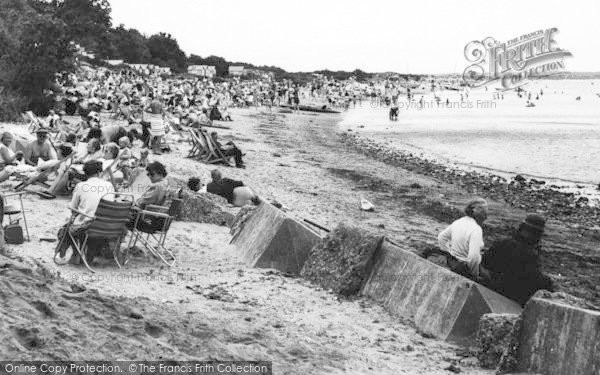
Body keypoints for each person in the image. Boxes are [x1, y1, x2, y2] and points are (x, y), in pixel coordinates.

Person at [481, 214, 555, 305]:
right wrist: (549, 283)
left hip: (489, 288)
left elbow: (484, 263)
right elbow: (536, 281)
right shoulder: (531, 256)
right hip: (511, 298)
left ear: (520, 228)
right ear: (538, 235)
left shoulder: (501, 243)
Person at [56, 160, 114, 264]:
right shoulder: (109, 185)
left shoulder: (81, 186)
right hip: (108, 226)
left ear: (86, 173)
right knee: (80, 219)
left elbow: (73, 208)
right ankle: (86, 253)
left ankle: (74, 253)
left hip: (89, 226)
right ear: (99, 173)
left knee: (69, 226)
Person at [438, 198, 490, 280]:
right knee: (490, 279)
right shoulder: (476, 229)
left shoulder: (459, 222)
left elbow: (441, 237)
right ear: (481, 215)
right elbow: (474, 257)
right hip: (465, 267)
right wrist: (474, 275)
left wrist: (448, 253)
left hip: (453, 261)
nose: (486, 217)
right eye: (485, 213)